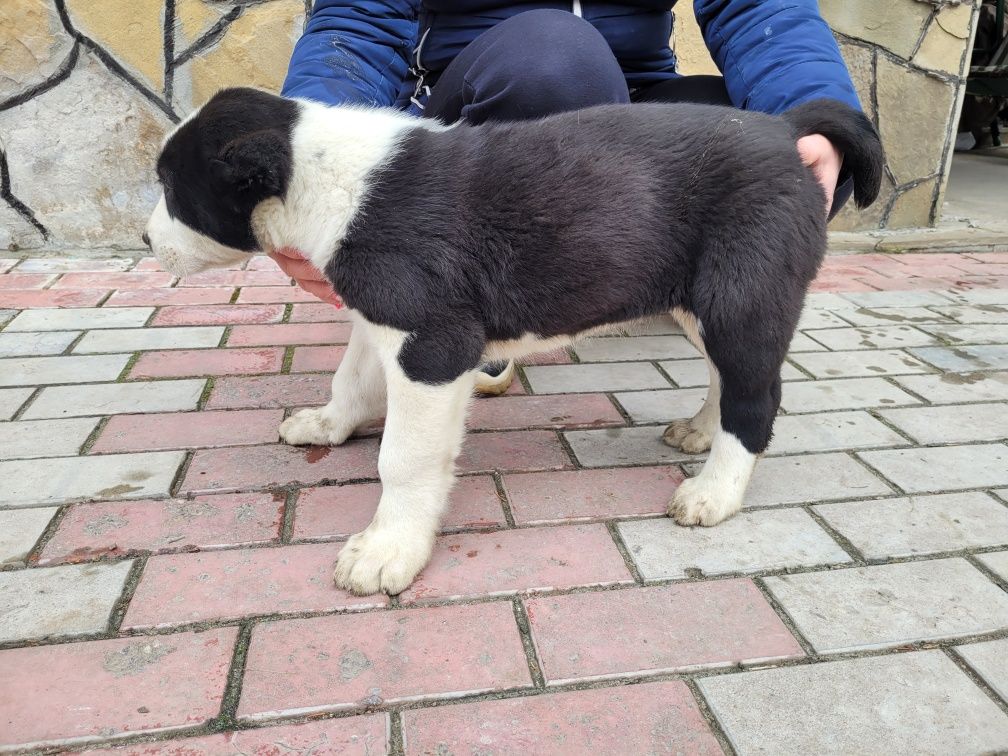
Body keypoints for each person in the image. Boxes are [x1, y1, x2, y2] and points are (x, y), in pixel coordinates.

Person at [270, 0, 860, 392]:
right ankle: (484, 310)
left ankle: (675, 292)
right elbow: (358, 21)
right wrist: (308, 158)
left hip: (628, 89)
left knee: (742, 141)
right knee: (557, 57)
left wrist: (815, 122)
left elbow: (757, 6)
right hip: (478, 108)